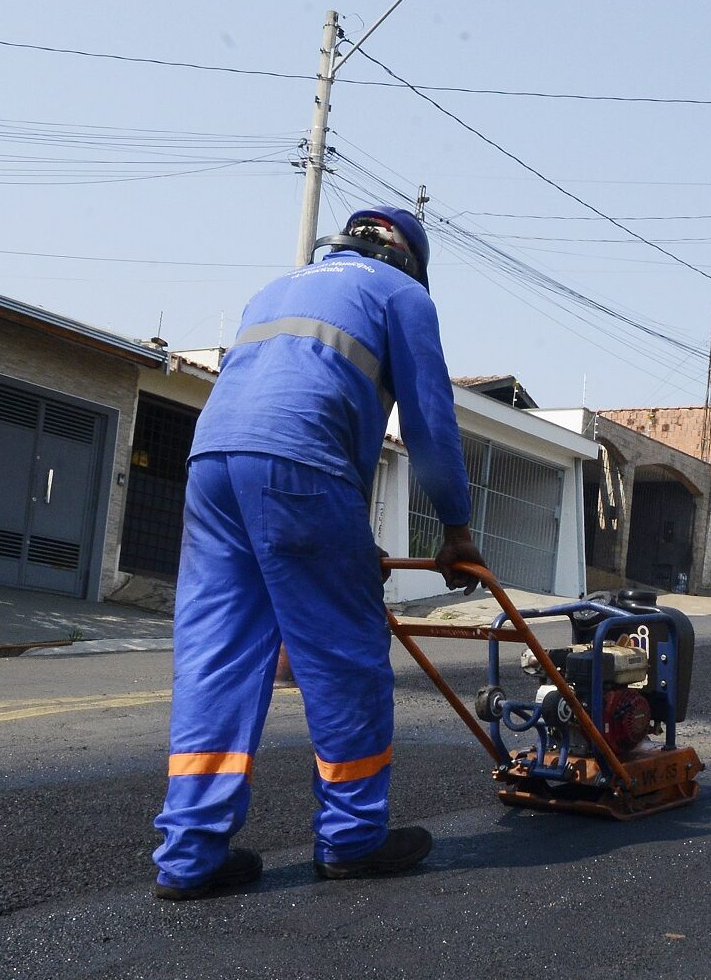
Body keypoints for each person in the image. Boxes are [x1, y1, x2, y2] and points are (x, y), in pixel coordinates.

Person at [152, 207, 486, 901]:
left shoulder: (276, 288)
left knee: (216, 656)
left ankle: (190, 854)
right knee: (342, 655)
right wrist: (456, 527)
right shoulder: (404, 296)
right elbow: (429, 421)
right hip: (300, 467)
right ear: (409, 259)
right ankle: (352, 838)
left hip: (212, 463)